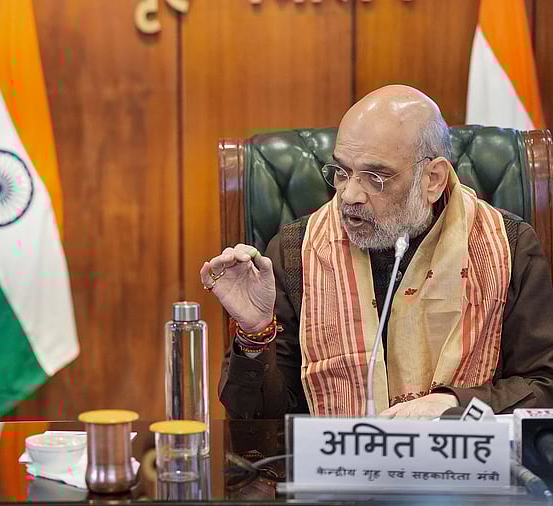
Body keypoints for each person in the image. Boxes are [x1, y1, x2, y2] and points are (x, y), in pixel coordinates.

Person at [206, 84, 553, 419]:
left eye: (375, 177)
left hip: (466, 457)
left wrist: (454, 406)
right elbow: (258, 421)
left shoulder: (508, 246)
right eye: (342, 172)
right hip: (336, 459)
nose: (349, 196)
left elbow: (544, 387)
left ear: (433, 179)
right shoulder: (296, 250)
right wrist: (254, 334)